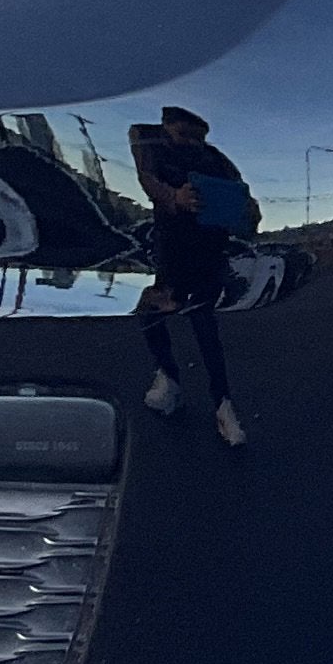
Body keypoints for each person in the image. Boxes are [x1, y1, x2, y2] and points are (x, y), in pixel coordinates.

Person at [128, 108, 259, 447]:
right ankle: (169, 376)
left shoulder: (215, 158)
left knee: (204, 326)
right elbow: (147, 179)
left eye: (199, 137)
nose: (193, 143)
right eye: (184, 134)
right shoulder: (150, 143)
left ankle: (223, 404)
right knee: (151, 311)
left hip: (208, 249)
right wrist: (175, 197)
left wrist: (244, 211)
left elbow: (243, 193)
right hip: (171, 246)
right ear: (167, 127)